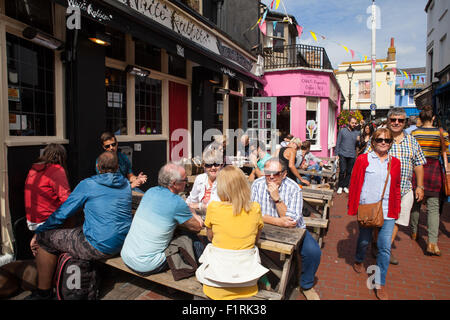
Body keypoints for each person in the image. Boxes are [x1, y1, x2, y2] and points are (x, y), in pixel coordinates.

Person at [25, 151, 133, 300]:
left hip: (98, 246)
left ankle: (43, 292)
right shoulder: (126, 184)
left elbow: (63, 212)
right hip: (122, 243)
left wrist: (39, 231)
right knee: (76, 232)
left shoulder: (88, 184)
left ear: (97, 166)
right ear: (117, 167)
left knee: (45, 238)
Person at [251, 158, 322, 300]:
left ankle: (306, 285)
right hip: (264, 227)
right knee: (241, 242)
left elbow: (291, 223)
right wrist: (277, 221)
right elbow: (252, 213)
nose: (271, 177)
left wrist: (277, 199)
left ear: (284, 174)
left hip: (293, 232)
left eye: (275, 174)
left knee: (313, 252)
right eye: (267, 173)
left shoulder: (293, 188)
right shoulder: (257, 185)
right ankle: (257, 278)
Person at [196, 165, 268, 300]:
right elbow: (256, 239)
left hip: (215, 283)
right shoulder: (255, 208)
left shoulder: (214, 208)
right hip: (247, 283)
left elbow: (210, 238)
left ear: (221, 187)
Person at [366, 108, 426, 265]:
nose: (396, 123)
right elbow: (365, 159)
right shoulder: (379, 138)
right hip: (381, 191)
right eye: (393, 120)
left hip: (404, 190)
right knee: (378, 221)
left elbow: (419, 164)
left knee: (396, 222)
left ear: (405, 122)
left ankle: (384, 249)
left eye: (400, 120)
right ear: (388, 121)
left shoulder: (412, 141)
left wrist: (420, 186)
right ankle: (376, 243)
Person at [120, 163, 204, 275]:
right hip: (146, 265)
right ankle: (200, 274)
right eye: (185, 180)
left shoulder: (151, 191)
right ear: (174, 183)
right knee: (192, 239)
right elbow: (197, 226)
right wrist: (192, 210)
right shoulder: (176, 202)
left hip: (127, 256)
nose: (187, 183)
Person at [348, 128, 401, 300]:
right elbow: (355, 182)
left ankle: (380, 283)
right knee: (364, 241)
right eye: (379, 140)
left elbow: (396, 188)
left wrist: (397, 209)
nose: (383, 142)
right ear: (373, 142)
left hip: (387, 211)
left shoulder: (395, 163)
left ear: (391, 143)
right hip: (367, 209)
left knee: (384, 248)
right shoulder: (363, 159)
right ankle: (358, 258)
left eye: (387, 140)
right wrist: (353, 206)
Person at [410, 106, 449, 256]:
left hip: (418, 168)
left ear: (421, 118)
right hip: (434, 169)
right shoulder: (442, 133)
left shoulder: (415, 133)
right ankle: (432, 242)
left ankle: (414, 232)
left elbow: (413, 153)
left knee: (416, 203)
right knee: (433, 207)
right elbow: (448, 153)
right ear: (433, 118)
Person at [24, 144, 71, 232]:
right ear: (62, 157)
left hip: (31, 220)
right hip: (46, 221)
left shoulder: (33, 169)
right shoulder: (57, 170)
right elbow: (66, 199)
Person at [186, 148, 223, 215]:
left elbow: (221, 207)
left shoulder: (226, 180)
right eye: (209, 165)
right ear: (204, 166)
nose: (213, 168)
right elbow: (191, 200)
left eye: (216, 164)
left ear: (221, 164)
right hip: (201, 217)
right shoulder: (200, 178)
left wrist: (200, 206)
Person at [335, 116, 360, 194]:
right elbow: (338, 142)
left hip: (352, 155)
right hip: (342, 153)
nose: (354, 124)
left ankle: (345, 186)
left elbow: (357, 145)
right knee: (342, 171)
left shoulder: (357, 132)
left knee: (349, 172)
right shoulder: (342, 131)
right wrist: (336, 154)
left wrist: (358, 141)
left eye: (355, 123)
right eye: (352, 123)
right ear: (349, 122)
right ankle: (340, 186)